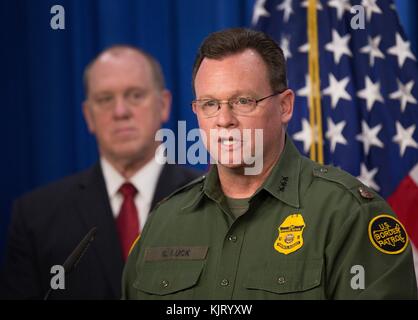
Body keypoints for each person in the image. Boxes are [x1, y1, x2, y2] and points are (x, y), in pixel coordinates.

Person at [122, 28, 417, 299]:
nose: (224, 120)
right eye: (210, 104)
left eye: (243, 101)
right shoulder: (163, 222)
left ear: (285, 106)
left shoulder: (349, 215)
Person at [0, 45, 202, 299]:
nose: (120, 112)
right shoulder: (35, 216)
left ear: (163, 105)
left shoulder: (208, 200)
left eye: (135, 95)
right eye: (105, 99)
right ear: (88, 116)